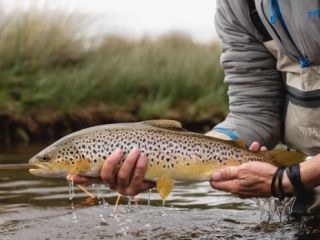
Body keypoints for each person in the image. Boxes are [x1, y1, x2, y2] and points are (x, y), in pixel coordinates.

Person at [72, 0, 320, 216]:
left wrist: (287, 179)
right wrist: (186, 154)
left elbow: (288, 178)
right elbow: (254, 111)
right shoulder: (237, 5)